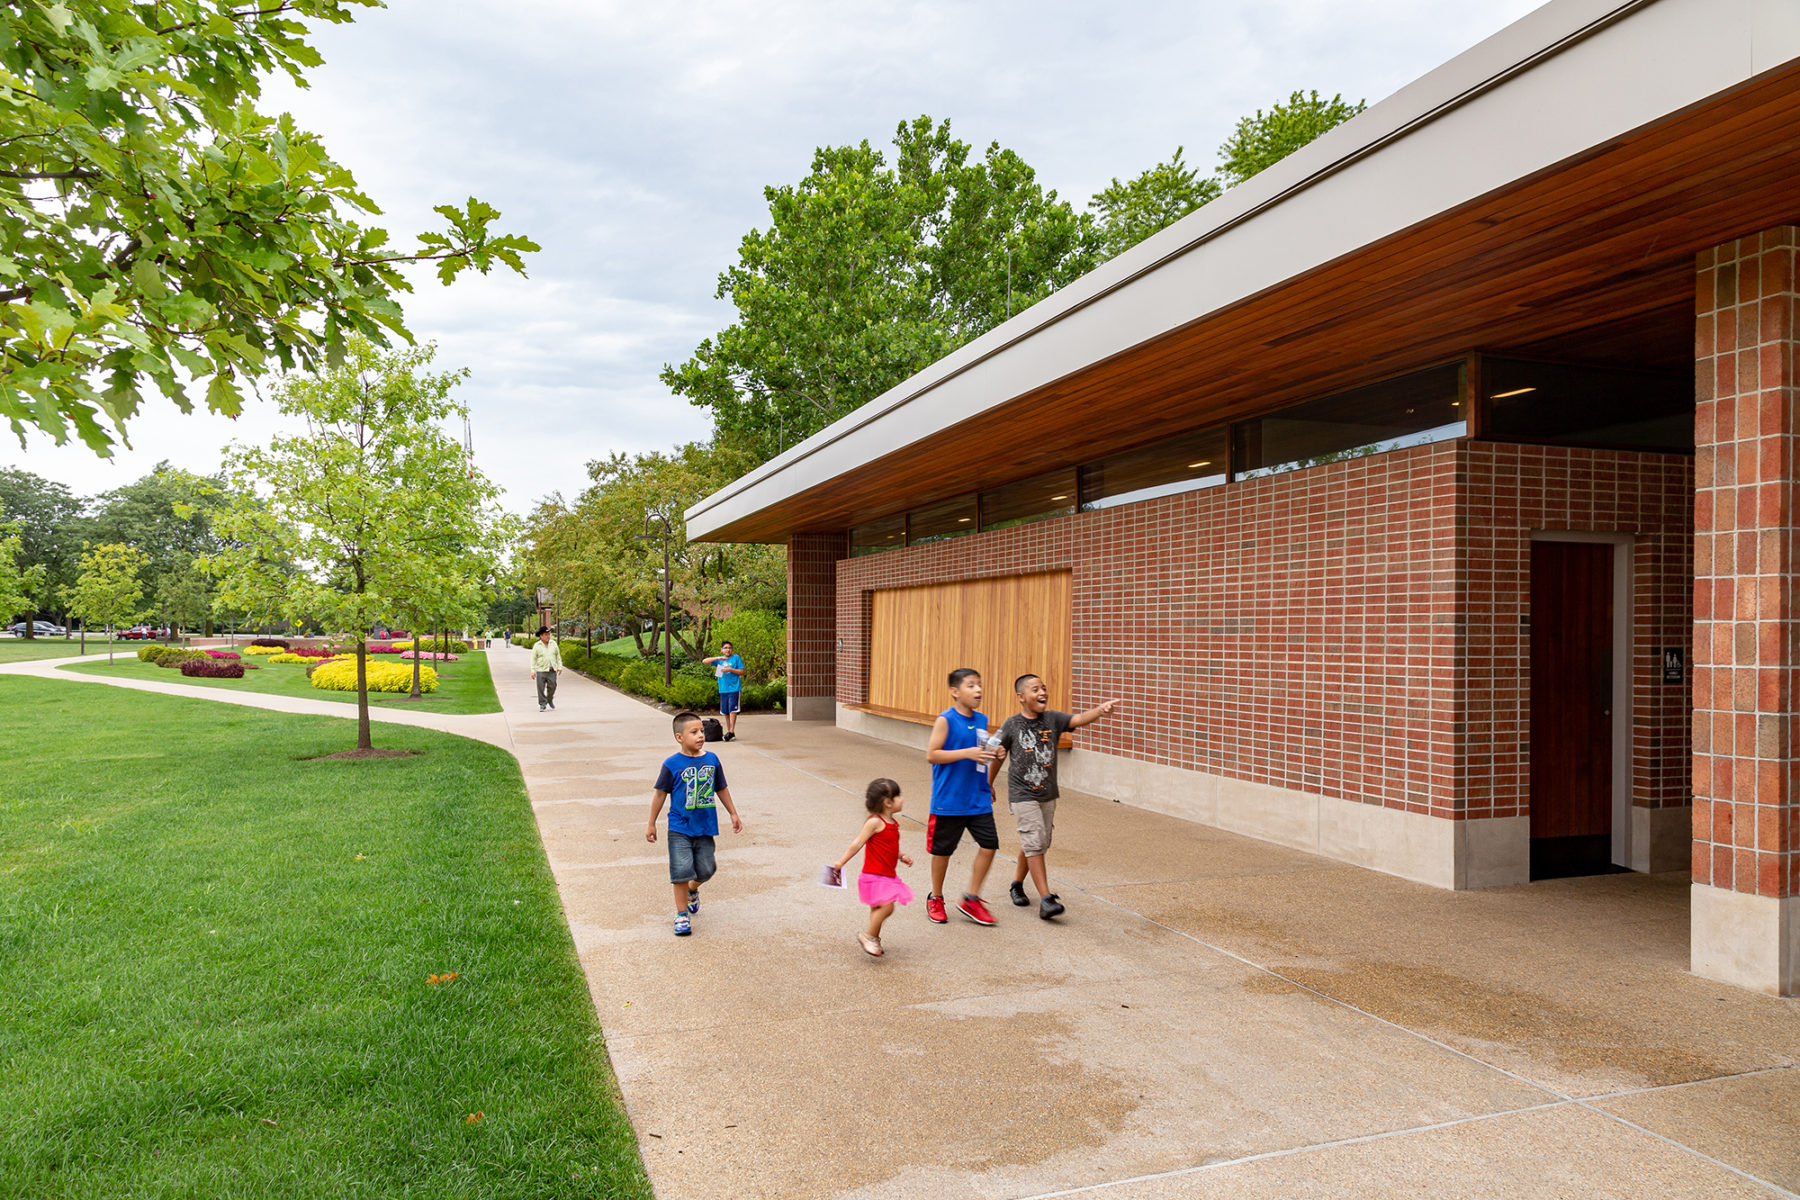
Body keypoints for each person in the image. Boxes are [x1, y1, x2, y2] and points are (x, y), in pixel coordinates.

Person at [995, 674, 1119, 920]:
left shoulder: (1053, 719)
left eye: (1043, 688)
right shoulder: (1012, 724)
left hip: (1048, 795)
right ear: (1021, 697)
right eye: (1034, 689)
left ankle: (1016, 884)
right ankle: (1046, 899)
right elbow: (997, 755)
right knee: (1035, 841)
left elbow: (1079, 719)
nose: (1042, 692)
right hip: (1022, 794)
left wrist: (1099, 710)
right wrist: (987, 785)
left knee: (1038, 842)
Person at [646, 710, 744, 937]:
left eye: (701, 731)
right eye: (694, 732)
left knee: (707, 869)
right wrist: (651, 823)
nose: (700, 735)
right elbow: (660, 794)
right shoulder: (671, 764)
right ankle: (681, 915)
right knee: (681, 870)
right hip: (679, 827)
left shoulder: (712, 760)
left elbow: (721, 787)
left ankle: (693, 889)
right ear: (680, 737)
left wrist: (733, 813)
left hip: (705, 826)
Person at [924, 667, 1002, 926]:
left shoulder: (981, 720)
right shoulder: (945, 720)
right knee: (943, 851)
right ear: (955, 691)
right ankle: (936, 897)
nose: (978, 690)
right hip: (949, 801)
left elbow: (981, 752)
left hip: (977, 797)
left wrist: (994, 753)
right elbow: (932, 754)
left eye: (979, 685)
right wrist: (966, 752)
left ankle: (971, 897)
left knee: (989, 844)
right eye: (971, 685)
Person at [831, 778, 915, 957]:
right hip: (874, 875)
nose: (902, 799)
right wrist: (841, 862)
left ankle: (873, 938)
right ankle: (868, 936)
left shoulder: (892, 823)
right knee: (887, 907)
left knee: (877, 908)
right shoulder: (875, 822)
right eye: (898, 796)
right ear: (888, 803)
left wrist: (901, 856)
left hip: (887, 874)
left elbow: (889, 845)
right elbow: (858, 843)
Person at [700, 641, 746, 741]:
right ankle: (729, 731)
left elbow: (742, 671)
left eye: (729, 647)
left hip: (734, 688)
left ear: (732, 649)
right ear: (722, 650)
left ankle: (731, 731)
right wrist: (717, 658)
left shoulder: (736, 658)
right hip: (723, 689)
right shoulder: (719, 660)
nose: (728, 649)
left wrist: (730, 669)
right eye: (725, 648)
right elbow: (704, 661)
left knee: (732, 710)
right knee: (725, 711)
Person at [528, 626, 562, 711]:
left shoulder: (553, 643)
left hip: (552, 670)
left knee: (553, 686)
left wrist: (559, 666)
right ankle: (542, 704)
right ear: (541, 636)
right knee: (540, 688)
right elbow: (533, 658)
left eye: (549, 634)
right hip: (541, 670)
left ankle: (549, 699)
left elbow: (558, 656)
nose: (548, 636)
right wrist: (532, 671)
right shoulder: (537, 645)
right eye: (546, 635)